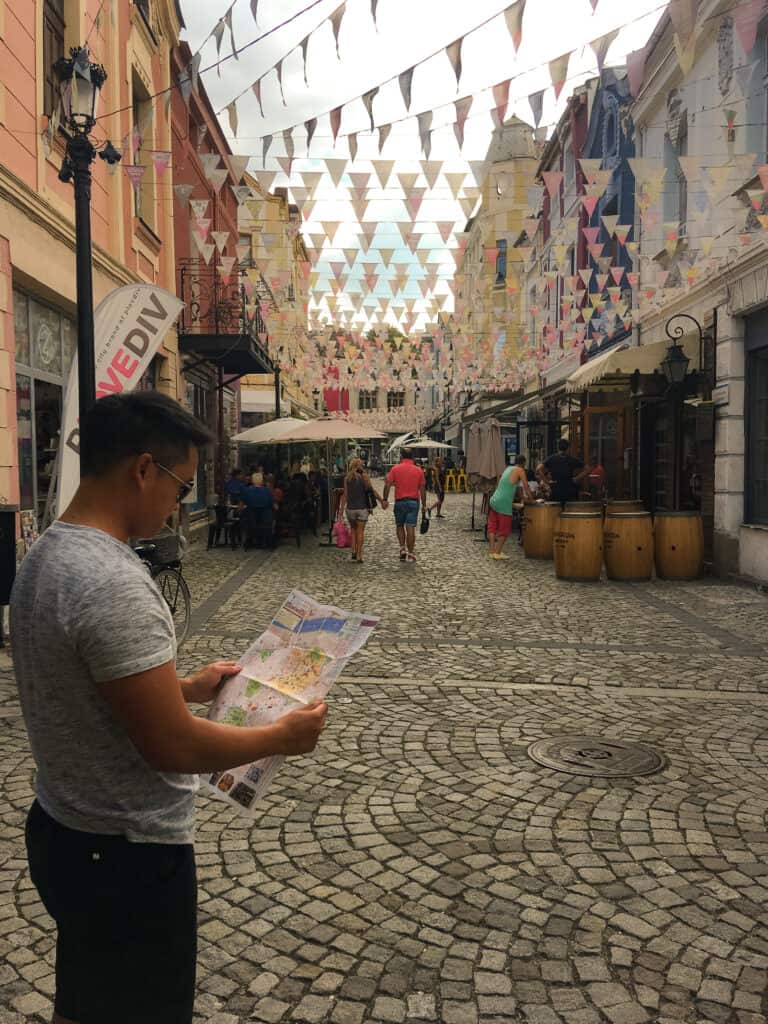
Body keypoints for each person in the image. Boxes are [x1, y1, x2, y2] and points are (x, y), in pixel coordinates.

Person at [10, 391, 327, 1024]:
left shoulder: (45, 554)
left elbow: (79, 679)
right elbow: (175, 747)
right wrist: (280, 737)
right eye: (181, 487)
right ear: (143, 469)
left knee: (89, 998)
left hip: (64, 827)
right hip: (127, 852)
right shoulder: (113, 583)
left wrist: (182, 686)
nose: (180, 506)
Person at [382, 451, 427, 563]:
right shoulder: (419, 470)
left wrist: (385, 499)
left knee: (399, 525)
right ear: (412, 457)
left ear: (401, 456)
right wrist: (424, 505)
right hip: (413, 502)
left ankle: (402, 548)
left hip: (400, 502)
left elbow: (387, 484)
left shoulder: (395, 469)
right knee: (410, 527)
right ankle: (411, 554)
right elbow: (422, 489)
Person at [339, 458, 386, 564]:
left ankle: (353, 551)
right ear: (360, 466)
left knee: (353, 530)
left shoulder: (347, 478)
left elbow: (345, 495)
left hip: (350, 509)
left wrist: (341, 511)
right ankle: (359, 555)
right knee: (360, 531)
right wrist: (381, 500)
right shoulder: (364, 477)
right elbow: (371, 491)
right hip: (362, 509)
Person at [487, 455, 533, 560]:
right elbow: (526, 486)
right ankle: (497, 552)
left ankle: (491, 551)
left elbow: (512, 487)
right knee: (505, 530)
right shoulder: (520, 470)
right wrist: (532, 499)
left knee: (492, 527)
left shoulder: (508, 469)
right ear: (523, 463)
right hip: (503, 503)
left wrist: (516, 501)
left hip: (494, 500)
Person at [544, 438, 590, 505]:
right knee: (568, 511)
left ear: (558, 447)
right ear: (568, 448)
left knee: (555, 512)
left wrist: (546, 482)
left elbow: (538, 469)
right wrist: (577, 478)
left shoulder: (551, 459)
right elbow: (588, 469)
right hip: (569, 490)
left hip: (556, 490)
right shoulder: (572, 459)